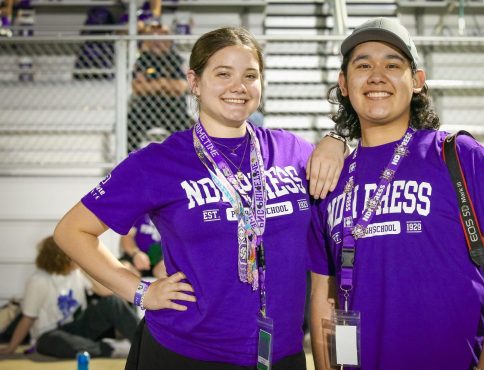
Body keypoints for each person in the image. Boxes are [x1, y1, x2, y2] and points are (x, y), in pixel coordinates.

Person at [54, 26, 345, 370]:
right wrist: (140, 291)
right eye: (223, 74)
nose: (238, 86)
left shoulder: (294, 152)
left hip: (281, 353)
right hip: (186, 353)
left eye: (250, 75)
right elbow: (71, 231)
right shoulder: (158, 162)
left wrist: (338, 139)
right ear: (195, 81)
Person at [308, 17, 484, 370]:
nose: (377, 75)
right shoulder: (327, 180)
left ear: (418, 82)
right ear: (344, 84)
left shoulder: (459, 154)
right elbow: (324, 295)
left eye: (392, 64)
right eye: (363, 65)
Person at [0, 236, 139, 358]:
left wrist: (85, 267)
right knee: (57, 342)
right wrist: (11, 348)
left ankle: (143, 341)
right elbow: (28, 318)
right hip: (49, 334)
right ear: (61, 257)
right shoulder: (38, 281)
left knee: (112, 302)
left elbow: (106, 292)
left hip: (77, 326)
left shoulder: (77, 272)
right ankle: (111, 349)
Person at [127, 21, 189, 151]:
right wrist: (165, 84)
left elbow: (181, 88)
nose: (157, 41)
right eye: (153, 37)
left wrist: (152, 85)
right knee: (128, 126)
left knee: (188, 133)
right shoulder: (142, 60)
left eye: (162, 36)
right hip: (144, 110)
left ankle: (183, 165)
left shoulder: (176, 59)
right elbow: (138, 88)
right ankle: (129, 164)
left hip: (173, 110)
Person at [120, 214, 166, 278]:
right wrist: (135, 253)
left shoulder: (170, 214)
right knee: (123, 270)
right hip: (134, 256)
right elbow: (126, 237)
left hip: (159, 259)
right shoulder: (138, 212)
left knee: (168, 271)